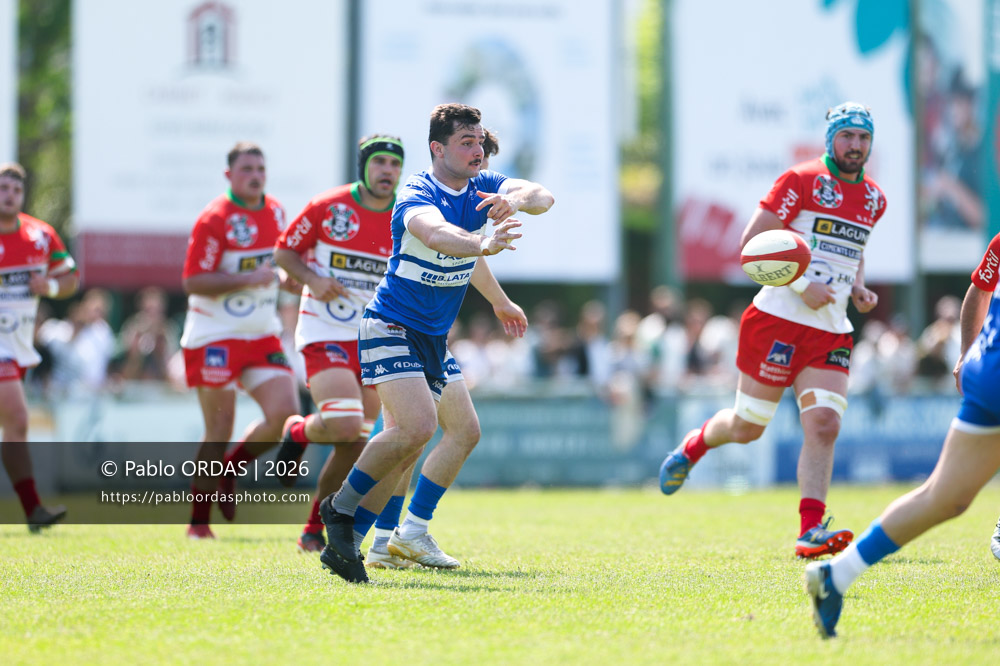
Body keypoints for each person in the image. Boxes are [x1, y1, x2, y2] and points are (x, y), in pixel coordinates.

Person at [318, 103, 554, 583]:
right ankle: (341, 512)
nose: (478, 150)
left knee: (464, 431)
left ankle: (398, 535)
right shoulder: (416, 194)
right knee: (415, 430)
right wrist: (483, 243)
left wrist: (515, 208)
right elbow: (441, 236)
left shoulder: (483, 185)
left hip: (431, 339)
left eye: (480, 141)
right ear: (437, 148)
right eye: (466, 142)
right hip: (391, 327)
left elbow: (541, 195)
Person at [658, 102, 884, 559]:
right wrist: (803, 285)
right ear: (831, 140)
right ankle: (694, 446)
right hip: (777, 321)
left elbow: (854, 247)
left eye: (863, 138)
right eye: (847, 136)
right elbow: (750, 247)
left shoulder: (876, 198)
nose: (855, 146)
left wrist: (857, 286)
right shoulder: (799, 181)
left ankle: (810, 530)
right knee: (747, 427)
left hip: (831, 330)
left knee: (824, 423)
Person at [805, 230, 1000, 638]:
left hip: (989, 373)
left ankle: (836, 575)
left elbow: (979, 290)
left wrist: (967, 355)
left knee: (943, 497)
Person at [273, 134, 416, 567]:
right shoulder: (329, 207)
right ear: (364, 167)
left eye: (394, 163)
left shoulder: (406, 217)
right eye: (379, 163)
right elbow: (285, 252)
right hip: (325, 329)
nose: (387, 170)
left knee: (355, 442)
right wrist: (313, 280)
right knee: (344, 421)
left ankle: (313, 528)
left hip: (375, 337)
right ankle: (297, 433)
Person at [179, 141, 300, 539]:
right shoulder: (215, 218)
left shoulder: (276, 210)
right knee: (219, 426)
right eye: (247, 169)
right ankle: (198, 522)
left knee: (285, 414)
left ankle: (230, 471)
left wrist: (286, 278)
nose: (255, 175)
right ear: (229, 176)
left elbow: (276, 264)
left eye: (260, 169)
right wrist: (245, 278)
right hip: (214, 335)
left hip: (260, 332)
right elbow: (193, 281)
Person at [0, 162, 79, 531]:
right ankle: (33, 509)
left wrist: (46, 287)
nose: (9, 195)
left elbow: (71, 279)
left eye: (15, 189)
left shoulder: (41, 235)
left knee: (15, 424)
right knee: (17, 416)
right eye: (3, 188)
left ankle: (32, 510)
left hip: (18, 347)